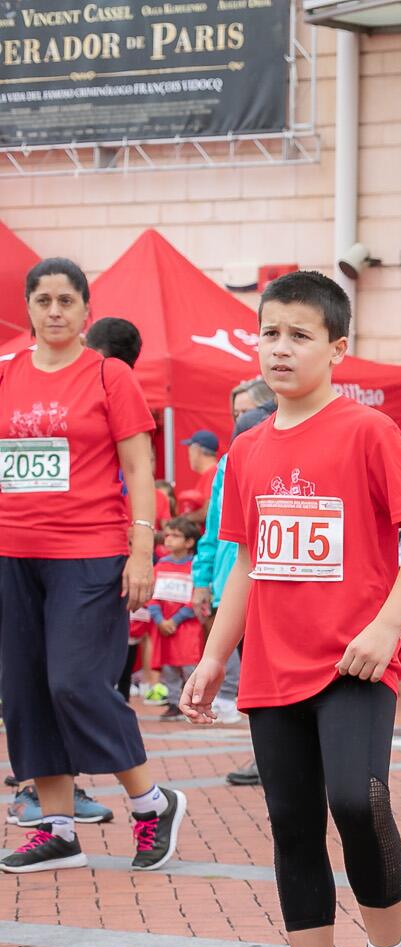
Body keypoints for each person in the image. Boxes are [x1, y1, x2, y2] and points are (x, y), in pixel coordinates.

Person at [179, 269, 401, 947]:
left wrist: (386, 628)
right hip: (270, 667)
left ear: (337, 349)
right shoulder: (249, 448)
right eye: (269, 332)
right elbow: (250, 566)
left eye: (299, 335)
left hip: (356, 665)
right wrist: (211, 658)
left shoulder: (369, 433)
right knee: (293, 823)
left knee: (358, 802)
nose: (281, 348)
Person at [0, 258, 190, 875]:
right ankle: (57, 829)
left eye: (66, 301)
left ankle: (150, 804)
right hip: (14, 553)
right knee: (26, 689)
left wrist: (142, 550)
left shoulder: (109, 376)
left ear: (86, 310)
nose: (53, 311)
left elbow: (140, 469)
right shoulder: (6, 376)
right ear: (28, 308)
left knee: (75, 683)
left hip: (89, 552)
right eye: (43, 300)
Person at [192, 379, 276, 761]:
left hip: (276, 582)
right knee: (251, 673)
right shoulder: (229, 461)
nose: (240, 420)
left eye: (246, 412)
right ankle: (263, 755)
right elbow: (212, 529)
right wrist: (202, 580)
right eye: (236, 414)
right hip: (233, 584)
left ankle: (278, 755)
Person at [149, 514, 205, 719]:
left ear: (189, 542)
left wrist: (176, 619)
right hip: (164, 625)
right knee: (169, 667)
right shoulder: (161, 565)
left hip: (186, 626)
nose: (169, 539)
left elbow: (196, 597)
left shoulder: (195, 566)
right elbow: (152, 594)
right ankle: (173, 702)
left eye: (176, 535)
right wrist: (159, 619)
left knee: (190, 665)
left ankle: (195, 703)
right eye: (167, 535)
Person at [176, 431, 219, 516]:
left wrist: (185, 519)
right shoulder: (211, 473)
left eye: (189, 447)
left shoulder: (213, 473)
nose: (189, 454)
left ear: (196, 450)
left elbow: (208, 511)